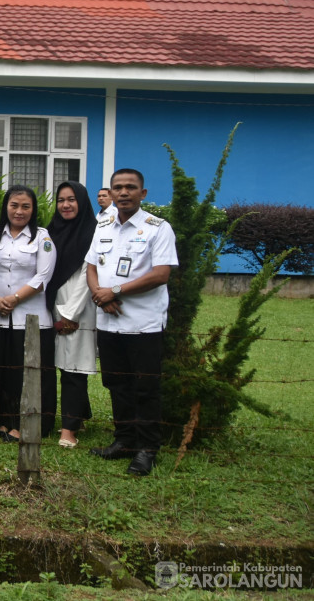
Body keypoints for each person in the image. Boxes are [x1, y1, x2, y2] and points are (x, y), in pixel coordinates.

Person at [86, 168, 178, 476]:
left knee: (145, 388)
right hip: (109, 322)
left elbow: (161, 274)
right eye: (118, 188)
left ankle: (146, 449)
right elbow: (91, 266)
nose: (123, 193)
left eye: (130, 187)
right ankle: (123, 440)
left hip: (143, 325)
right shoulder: (104, 225)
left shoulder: (158, 228)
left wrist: (113, 291)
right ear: (110, 193)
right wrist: (102, 295)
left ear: (143, 193)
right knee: (116, 384)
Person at [0, 185, 56, 442]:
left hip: (30, 318)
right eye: (14, 205)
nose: (19, 211)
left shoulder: (42, 238)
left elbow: (43, 277)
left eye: (25, 206)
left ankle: (22, 424)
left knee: (24, 373)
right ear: (6, 207)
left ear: (33, 210)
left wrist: (13, 298)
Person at [45, 181, 99, 448]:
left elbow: (88, 277)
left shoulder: (93, 233)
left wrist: (70, 313)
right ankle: (80, 415)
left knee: (72, 368)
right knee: (56, 365)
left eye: (71, 199)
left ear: (82, 202)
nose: (65, 205)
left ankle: (69, 429)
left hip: (78, 309)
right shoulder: (53, 231)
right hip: (52, 305)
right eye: (61, 200)